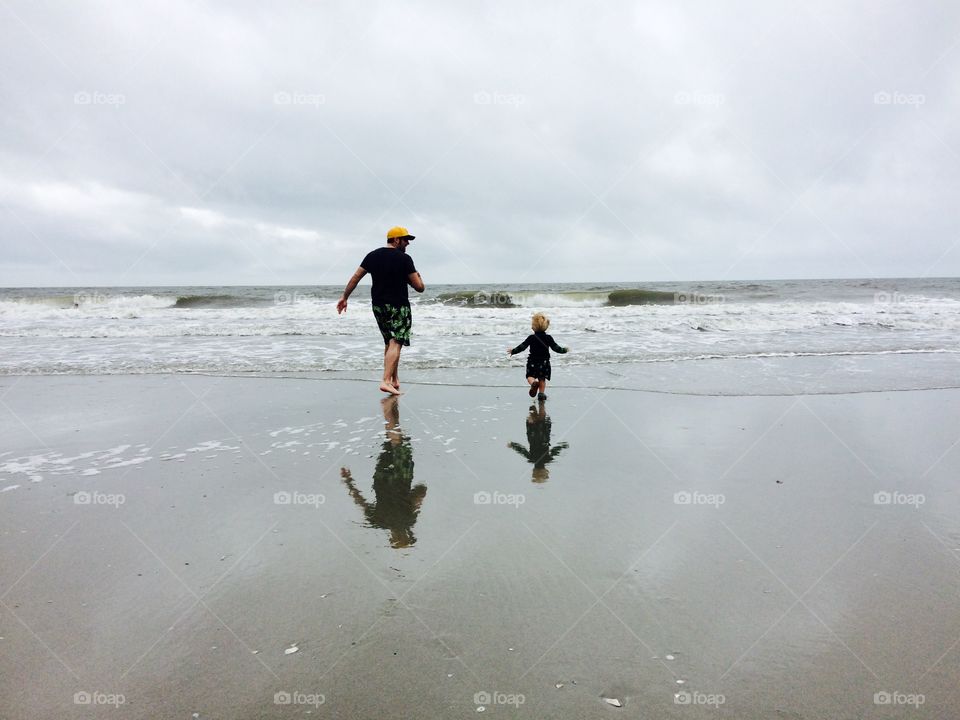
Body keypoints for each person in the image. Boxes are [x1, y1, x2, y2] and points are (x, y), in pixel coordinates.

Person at [337, 226, 425, 395]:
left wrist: (344, 297)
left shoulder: (372, 255)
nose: (407, 243)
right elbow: (419, 287)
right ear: (396, 240)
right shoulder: (405, 259)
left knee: (389, 342)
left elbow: (356, 277)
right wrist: (418, 276)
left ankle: (394, 379)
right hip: (398, 305)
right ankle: (385, 381)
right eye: (405, 239)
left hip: (378, 305)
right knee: (396, 342)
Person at [340, 396, 427, 548]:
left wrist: (420, 493)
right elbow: (360, 501)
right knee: (392, 441)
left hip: (401, 478)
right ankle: (392, 405)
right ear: (391, 537)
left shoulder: (409, 519)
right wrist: (348, 481)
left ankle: (388, 407)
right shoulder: (378, 521)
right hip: (381, 479)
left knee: (398, 444)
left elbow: (420, 492)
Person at [507, 312, 569, 400]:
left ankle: (533, 383)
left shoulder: (531, 337)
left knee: (530, 376)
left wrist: (513, 351)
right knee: (542, 378)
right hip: (544, 362)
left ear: (534, 327)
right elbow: (556, 348)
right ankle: (541, 394)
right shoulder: (549, 338)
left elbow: (522, 346)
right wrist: (564, 350)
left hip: (532, 361)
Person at [507, 399, 569, 483]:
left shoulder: (544, 459)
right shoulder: (535, 459)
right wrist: (513, 445)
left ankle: (538, 400)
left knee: (539, 412)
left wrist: (563, 446)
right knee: (533, 412)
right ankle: (537, 400)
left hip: (541, 433)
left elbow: (522, 450)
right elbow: (522, 450)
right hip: (535, 433)